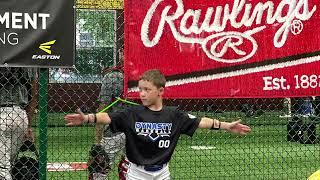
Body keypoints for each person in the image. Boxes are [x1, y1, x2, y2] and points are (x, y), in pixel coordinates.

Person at [65, 69, 251, 180]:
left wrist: (226, 126)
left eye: (147, 90)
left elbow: (201, 121)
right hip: (137, 173)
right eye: (140, 90)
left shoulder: (174, 115)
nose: (142, 94)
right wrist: (88, 118)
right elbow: (109, 117)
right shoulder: (132, 113)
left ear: (160, 91)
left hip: (162, 173)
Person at [88, 66, 127, 180]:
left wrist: (97, 141)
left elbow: (102, 108)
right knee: (130, 167)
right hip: (138, 129)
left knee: (99, 166)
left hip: (114, 129)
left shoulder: (112, 76)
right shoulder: (143, 74)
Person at [0, 67, 37, 180]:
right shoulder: (28, 60)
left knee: (3, 167)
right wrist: (28, 125)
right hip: (20, 114)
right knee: (8, 163)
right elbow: (34, 94)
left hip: (1, 112)